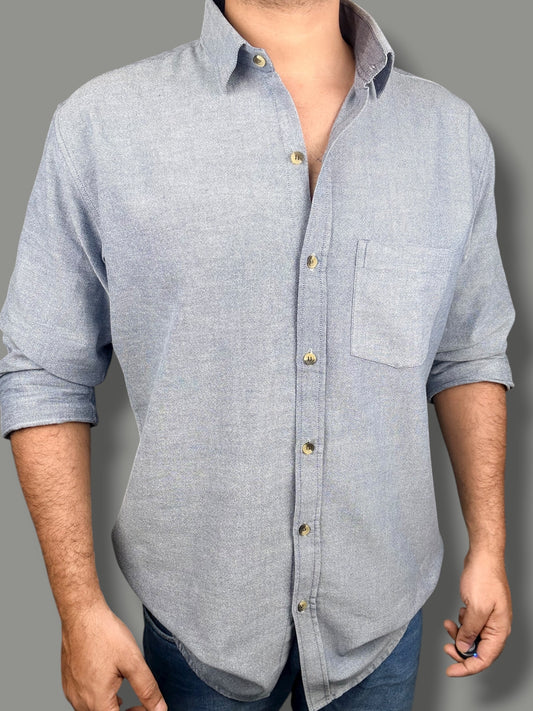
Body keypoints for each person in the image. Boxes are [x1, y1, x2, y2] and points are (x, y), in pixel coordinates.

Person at [0, 0, 516, 709]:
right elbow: (43, 371)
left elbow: (467, 353)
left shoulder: (450, 137)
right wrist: (78, 606)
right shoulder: (101, 126)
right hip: (196, 630)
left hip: (381, 623)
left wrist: (488, 544)